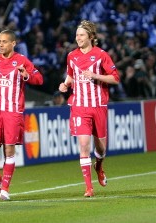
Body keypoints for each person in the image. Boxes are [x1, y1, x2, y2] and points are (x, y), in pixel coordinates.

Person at [0, 29, 43, 200]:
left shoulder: (21, 60)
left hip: (13, 112)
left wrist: (27, 75)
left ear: (13, 43)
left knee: (8, 149)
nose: (1, 44)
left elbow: (39, 79)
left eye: (5, 41)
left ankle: (5, 188)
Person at [58, 20, 120, 197]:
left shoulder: (101, 55)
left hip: (98, 106)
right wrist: (64, 85)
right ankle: (88, 188)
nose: (78, 38)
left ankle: (99, 167)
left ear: (91, 37)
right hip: (79, 106)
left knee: (101, 149)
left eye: (81, 35)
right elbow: (70, 77)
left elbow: (115, 78)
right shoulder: (71, 56)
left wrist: (95, 75)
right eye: (77, 35)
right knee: (84, 145)